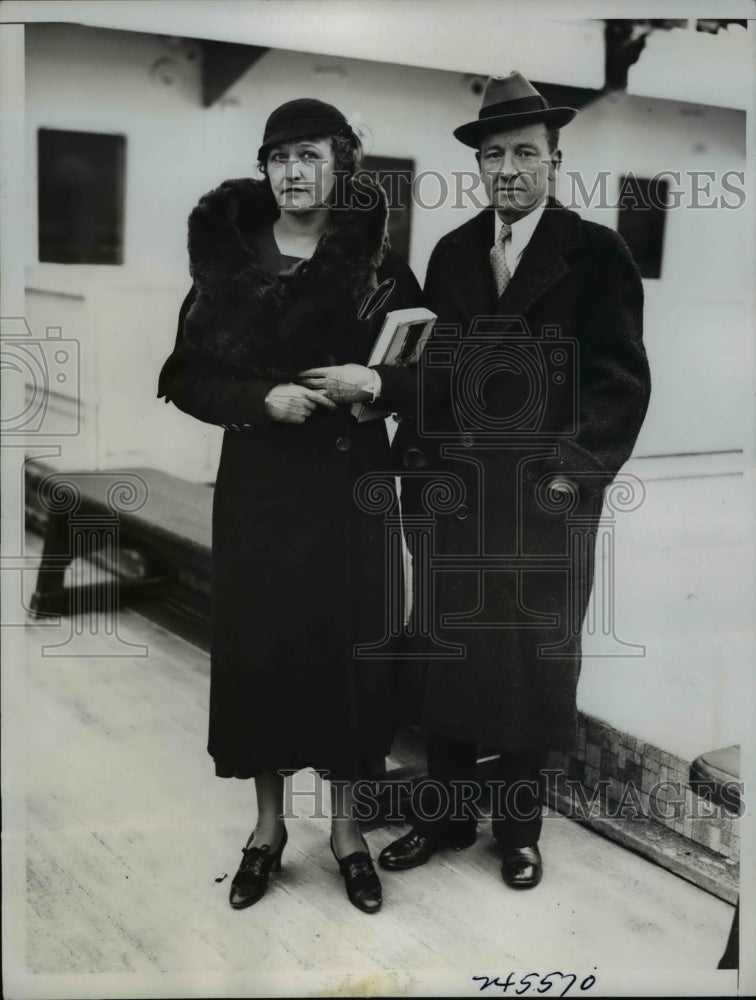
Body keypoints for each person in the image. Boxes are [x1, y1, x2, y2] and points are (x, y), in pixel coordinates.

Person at [380, 72, 651, 888]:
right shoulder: (453, 249)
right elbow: (433, 371)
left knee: (535, 657)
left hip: (545, 499)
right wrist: (417, 472)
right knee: (451, 650)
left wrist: (572, 476)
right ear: (479, 165)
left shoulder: (597, 252)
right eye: (493, 154)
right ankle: (447, 816)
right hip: (458, 496)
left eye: (524, 153)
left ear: (554, 160)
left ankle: (520, 830)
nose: (508, 169)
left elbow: (619, 382)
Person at [157, 99, 423, 914]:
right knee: (261, 653)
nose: (292, 173)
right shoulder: (227, 260)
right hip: (262, 492)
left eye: (308, 156)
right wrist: (258, 397)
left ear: (342, 163)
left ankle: (346, 833)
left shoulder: (379, 265)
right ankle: (267, 830)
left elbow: (426, 369)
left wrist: (374, 385)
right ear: (264, 168)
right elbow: (184, 375)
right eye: (278, 158)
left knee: (350, 657)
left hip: (350, 495)